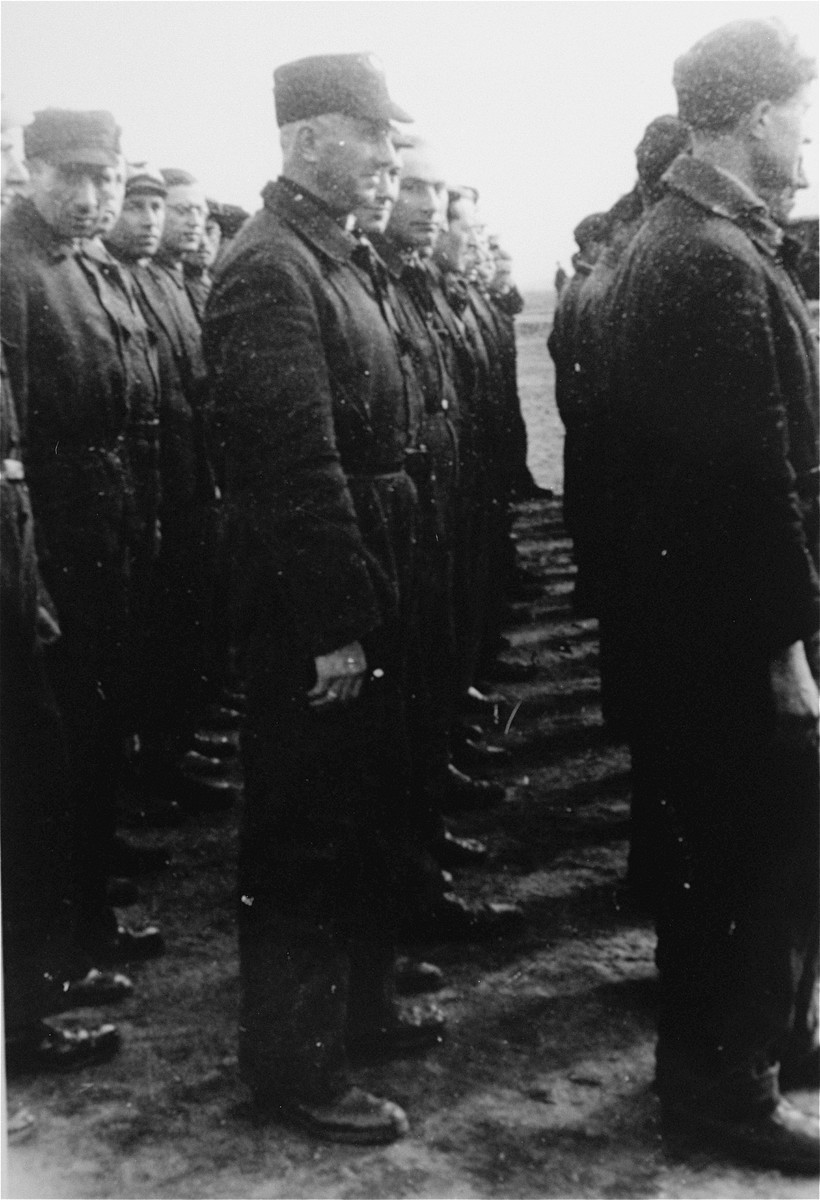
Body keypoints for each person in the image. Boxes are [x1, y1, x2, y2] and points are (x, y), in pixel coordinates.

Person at [204, 52, 449, 1144]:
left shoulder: (328, 257)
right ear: (308, 141)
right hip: (315, 593)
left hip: (364, 561)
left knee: (357, 806)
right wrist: (334, 626)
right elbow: (291, 466)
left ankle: (352, 1007)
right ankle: (295, 1066)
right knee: (305, 827)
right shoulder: (271, 269)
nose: (389, 155)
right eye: (373, 136)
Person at [605, 19, 819, 1171]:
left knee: (760, 853)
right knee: (744, 856)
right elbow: (745, 481)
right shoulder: (701, 256)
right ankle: (721, 1091)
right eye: (805, 110)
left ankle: (765, 1043)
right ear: (754, 118)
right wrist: (785, 651)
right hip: (728, 639)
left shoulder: (706, 239)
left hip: (714, 627)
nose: (810, 134)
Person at [1, 109, 164, 967]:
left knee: (99, 729)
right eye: (72, 177)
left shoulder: (86, 264)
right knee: (53, 752)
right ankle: (59, 949)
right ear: (31, 171)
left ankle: (89, 915)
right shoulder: (11, 267)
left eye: (106, 177)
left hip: (108, 522)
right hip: (49, 543)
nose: (94, 196)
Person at [106, 164, 232, 814]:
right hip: (151, 491)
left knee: (183, 624)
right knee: (152, 636)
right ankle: (155, 760)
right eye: (150, 207)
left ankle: (173, 744)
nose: (165, 221)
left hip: (186, 484)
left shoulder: (172, 283)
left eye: (177, 209)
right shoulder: (122, 279)